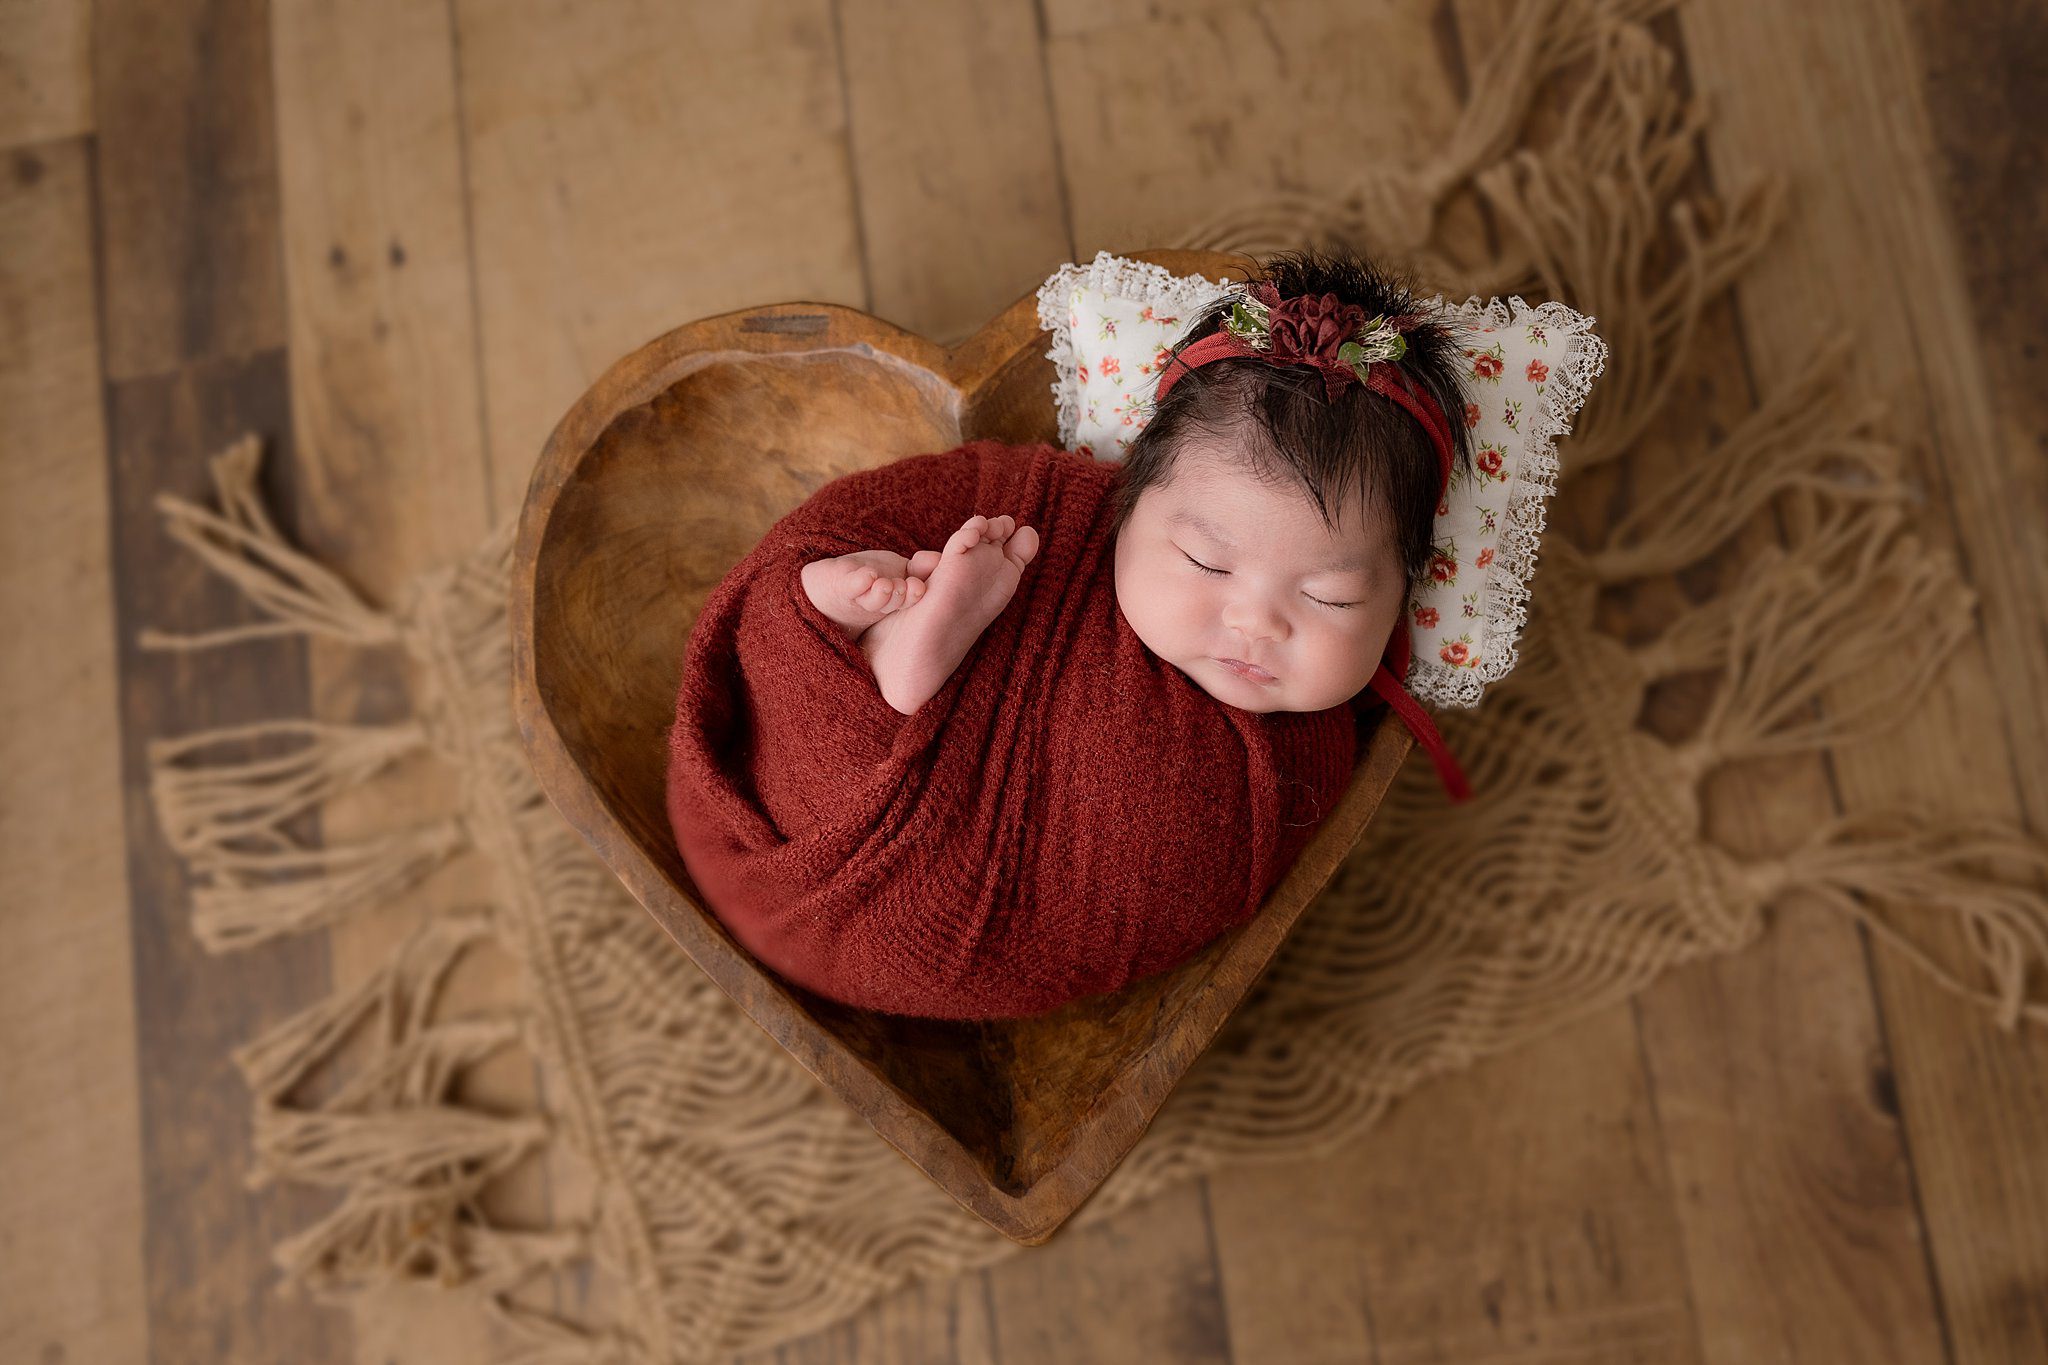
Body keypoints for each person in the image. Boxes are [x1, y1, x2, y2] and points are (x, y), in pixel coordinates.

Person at [665, 245, 1478, 1020]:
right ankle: (838, 608)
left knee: (1166, 823)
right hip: (802, 783)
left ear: (1402, 591)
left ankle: (876, 649)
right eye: (1205, 560)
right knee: (799, 577)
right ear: (1126, 493)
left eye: (1332, 598)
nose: (1256, 621)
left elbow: (1159, 893)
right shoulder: (1049, 508)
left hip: (894, 915)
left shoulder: (1305, 757)